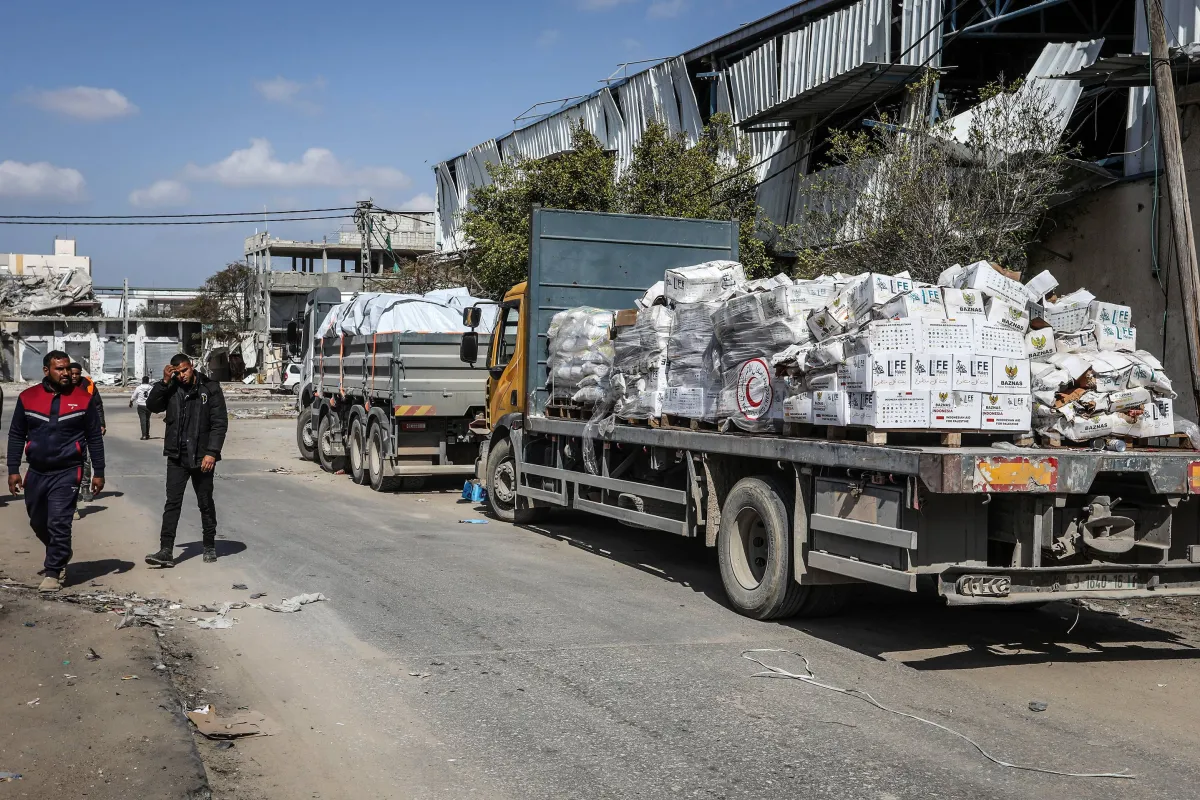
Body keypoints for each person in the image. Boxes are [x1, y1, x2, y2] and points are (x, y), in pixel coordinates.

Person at [7, 351, 105, 592]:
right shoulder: (28, 397)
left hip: (68, 471)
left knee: (59, 522)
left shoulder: (83, 399)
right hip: (37, 471)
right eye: (58, 369)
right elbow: (17, 434)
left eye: (66, 368)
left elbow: (94, 437)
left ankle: (53, 571)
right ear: (46, 371)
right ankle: (60, 551)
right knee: (38, 521)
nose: (65, 373)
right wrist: (13, 469)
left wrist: (99, 471)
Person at [144, 354, 227, 567]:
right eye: (177, 372)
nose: (181, 376)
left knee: (205, 502)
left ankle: (209, 544)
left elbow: (219, 423)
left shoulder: (210, 388)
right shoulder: (170, 387)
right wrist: (163, 382)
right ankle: (166, 550)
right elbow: (152, 405)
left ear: (192, 367)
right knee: (172, 503)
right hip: (176, 455)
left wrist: (212, 452)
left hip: (202, 457)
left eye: (184, 371)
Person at [129, 375, 154, 440]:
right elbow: (154, 396)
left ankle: (144, 435)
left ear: (142, 381)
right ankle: (147, 434)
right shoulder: (151, 388)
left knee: (142, 420)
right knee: (147, 420)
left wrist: (131, 401)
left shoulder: (139, 388)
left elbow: (134, 396)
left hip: (141, 406)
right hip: (149, 406)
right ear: (148, 381)